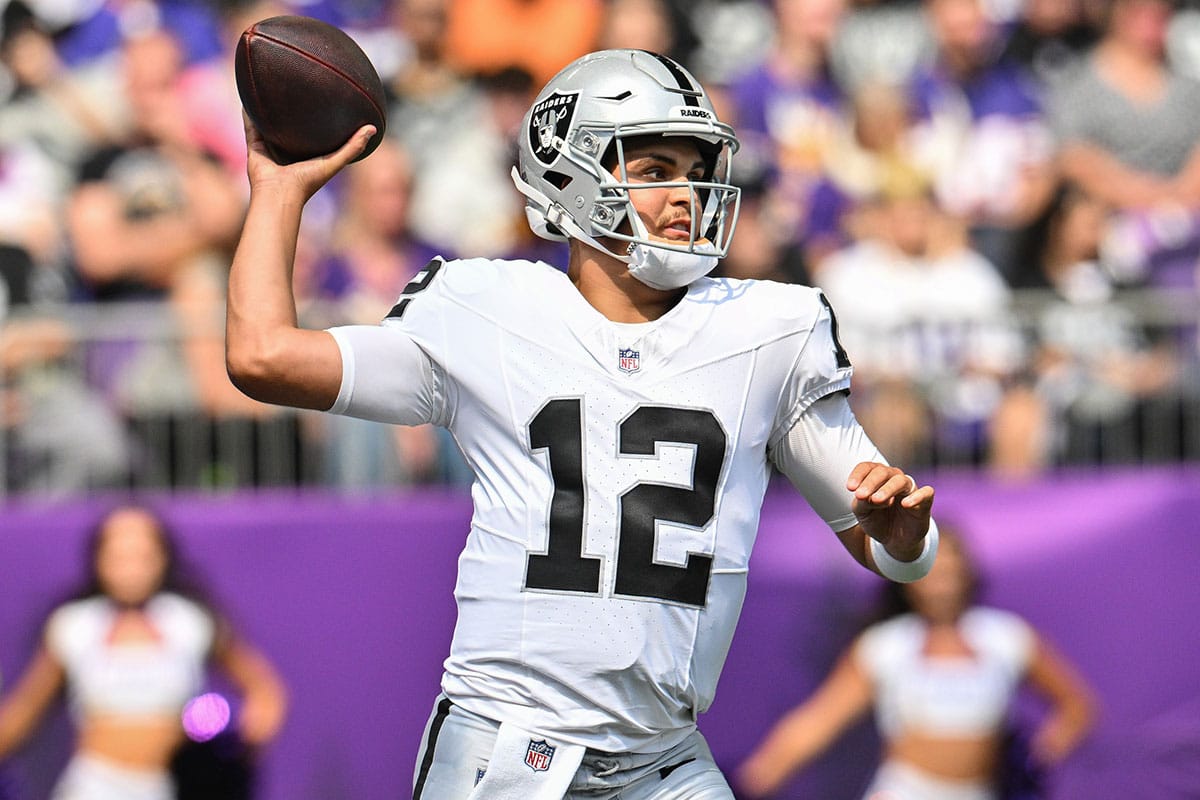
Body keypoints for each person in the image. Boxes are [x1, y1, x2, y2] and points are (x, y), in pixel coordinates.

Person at [225, 48, 939, 798]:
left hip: (666, 760)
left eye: (695, 171)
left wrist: (903, 537)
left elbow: (883, 541)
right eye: (655, 171)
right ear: (570, 173)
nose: (687, 196)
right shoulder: (486, 308)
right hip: (503, 749)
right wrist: (277, 191)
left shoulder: (770, 327)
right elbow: (264, 357)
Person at [736, 524, 1096, 800]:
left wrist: (1038, 756)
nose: (942, 582)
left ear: (968, 572)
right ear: (908, 578)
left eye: (951, 567)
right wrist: (755, 778)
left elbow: (1076, 705)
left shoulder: (1006, 638)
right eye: (932, 570)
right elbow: (816, 722)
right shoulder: (886, 646)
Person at [0, 503, 288, 800]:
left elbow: (262, 688)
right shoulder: (75, 626)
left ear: (162, 557)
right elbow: (23, 712)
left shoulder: (188, 621)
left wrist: (250, 731)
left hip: (167, 786)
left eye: (142, 556)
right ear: (99, 559)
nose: (130, 570)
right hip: (93, 786)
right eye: (119, 557)